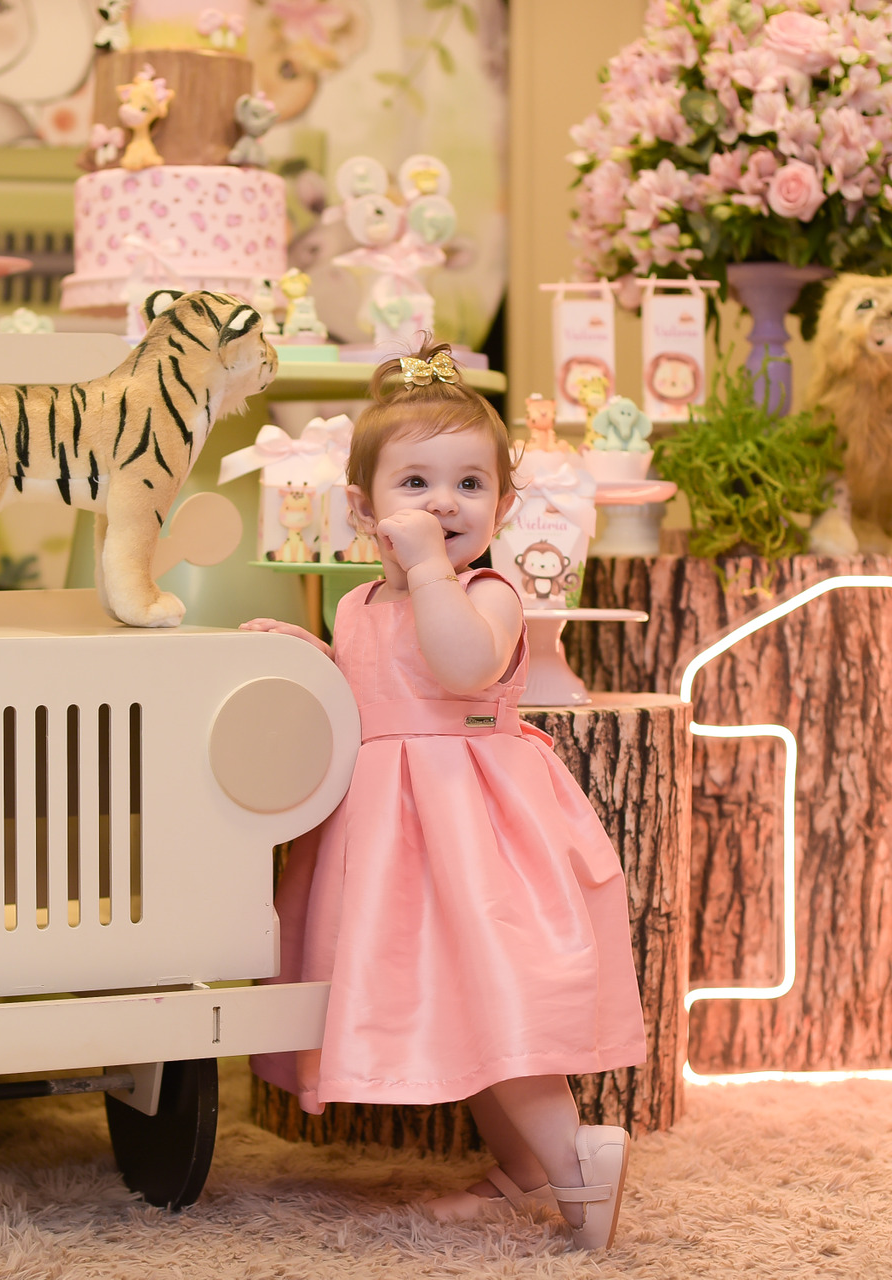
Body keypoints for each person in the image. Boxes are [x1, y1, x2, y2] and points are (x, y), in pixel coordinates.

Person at [245, 343, 647, 1251]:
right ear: (363, 510)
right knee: (460, 1012)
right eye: (416, 484)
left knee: (499, 1003)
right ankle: (525, 1171)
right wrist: (307, 656)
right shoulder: (356, 607)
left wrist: (429, 569)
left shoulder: (491, 594)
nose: (443, 504)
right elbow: (366, 695)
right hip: (391, 850)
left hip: (473, 836)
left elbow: (461, 666)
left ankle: (577, 1156)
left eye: (470, 485)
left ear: (502, 508)